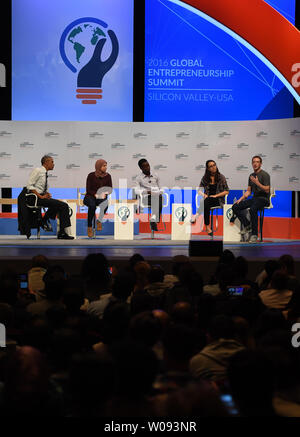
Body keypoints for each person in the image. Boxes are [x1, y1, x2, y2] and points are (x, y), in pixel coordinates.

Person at [26, 155, 74, 240]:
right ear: (46, 162)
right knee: (63, 206)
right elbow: (29, 186)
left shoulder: (45, 173)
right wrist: (41, 196)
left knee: (58, 204)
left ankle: (44, 220)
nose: (53, 164)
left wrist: (46, 194)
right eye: (52, 162)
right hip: (35, 199)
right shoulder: (38, 170)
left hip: (41, 197)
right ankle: (61, 233)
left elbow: (40, 187)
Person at [231, 155, 270, 243]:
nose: (255, 164)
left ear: (261, 164)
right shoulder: (251, 175)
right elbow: (249, 191)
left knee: (253, 209)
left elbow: (267, 190)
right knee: (235, 207)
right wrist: (241, 199)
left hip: (264, 199)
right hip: (255, 199)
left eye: (257, 162)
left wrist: (257, 183)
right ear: (252, 164)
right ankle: (247, 225)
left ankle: (254, 235)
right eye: (254, 162)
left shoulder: (265, 175)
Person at [190, 160, 229, 236]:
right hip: (208, 200)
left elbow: (227, 191)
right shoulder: (205, 178)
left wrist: (215, 196)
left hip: (218, 200)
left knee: (205, 202)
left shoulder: (221, 177)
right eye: (211, 166)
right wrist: (204, 194)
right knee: (206, 202)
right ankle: (207, 227)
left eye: (214, 165)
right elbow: (199, 190)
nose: (213, 167)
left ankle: (197, 217)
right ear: (208, 169)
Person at [83, 159, 112, 238]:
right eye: (104, 166)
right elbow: (88, 190)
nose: (106, 167)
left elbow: (110, 189)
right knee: (92, 205)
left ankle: (99, 220)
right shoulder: (91, 175)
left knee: (105, 203)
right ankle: (89, 227)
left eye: (106, 166)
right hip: (90, 196)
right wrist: (96, 194)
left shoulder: (108, 176)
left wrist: (104, 193)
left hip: (101, 197)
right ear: (98, 166)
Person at [135, 159, 163, 232]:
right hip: (146, 198)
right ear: (141, 168)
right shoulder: (138, 178)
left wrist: (158, 192)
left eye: (148, 165)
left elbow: (162, 188)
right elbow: (137, 191)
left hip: (156, 196)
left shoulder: (155, 175)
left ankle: (153, 219)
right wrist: (147, 191)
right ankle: (154, 219)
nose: (147, 168)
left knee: (158, 198)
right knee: (158, 199)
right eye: (144, 166)